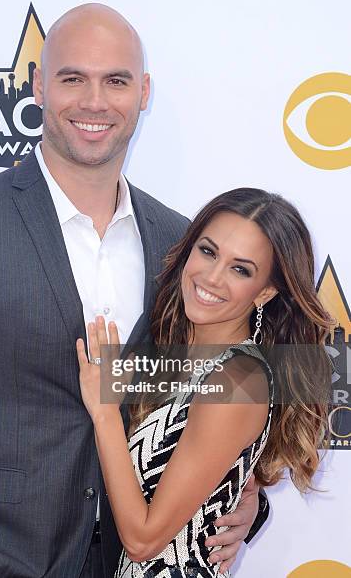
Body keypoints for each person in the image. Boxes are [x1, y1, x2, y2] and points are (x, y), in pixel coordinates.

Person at [0, 5, 267, 578]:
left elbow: (222, 396)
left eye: (116, 81)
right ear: (40, 86)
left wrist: (245, 501)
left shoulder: (182, 246)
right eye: (73, 78)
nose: (95, 102)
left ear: (142, 93)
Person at [77, 187, 332, 577]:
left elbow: (144, 541)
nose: (211, 277)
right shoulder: (185, 349)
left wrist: (104, 410)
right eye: (209, 251)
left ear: (265, 291)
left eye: (240, 269)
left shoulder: (239, 377)